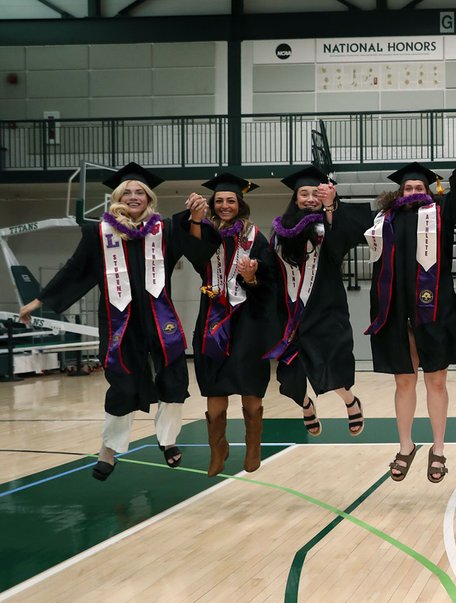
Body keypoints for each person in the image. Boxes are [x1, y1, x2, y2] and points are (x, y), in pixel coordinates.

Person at [19, 163, 196, 480]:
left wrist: (196, 216)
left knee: (173, 381)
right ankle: (109, 451)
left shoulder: (166, 230)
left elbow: (199, 241)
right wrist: (40, 300)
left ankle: (168, 440)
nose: (133, 196)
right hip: (120, 322)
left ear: (149, 198)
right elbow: (75, 270)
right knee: (122, 386)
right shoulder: (98, 233)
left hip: (159, 320)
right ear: (117, 198)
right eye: (126, 192)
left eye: (139, 191)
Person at [352, 124, 456, 484]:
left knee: (437, 383)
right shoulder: (384, 220)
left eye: (419, 187)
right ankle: (406, 445)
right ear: (398, 192)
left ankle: (439, 449)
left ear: (429, 191)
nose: (414, 191)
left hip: (435, 312)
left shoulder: (441, 214)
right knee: (403, 383)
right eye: (408, 187)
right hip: (396, 313)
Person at [179, 172, 273, 477]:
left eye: (230, 200)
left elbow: (269, 281)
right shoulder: (204, 232)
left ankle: (253, 447)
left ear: (240, 204)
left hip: (247, 319)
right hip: (212, 316)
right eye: (218, 200)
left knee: (249, 386)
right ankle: (218, 448)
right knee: (214, 387)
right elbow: (193, 256)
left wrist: (252, 277)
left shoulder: (255, 237)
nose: (224, 205)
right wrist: (195, 219)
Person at [266, 165, 366, 442]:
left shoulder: (328, 225)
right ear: (295, 198)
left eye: (314, 194)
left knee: (331, 365)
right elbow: (272, 269)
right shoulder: (280, 231)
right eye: (303, 194)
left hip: (326, 308)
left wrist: (331, 207)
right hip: (290, 313)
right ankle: (306, 405)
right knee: (290, 373)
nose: (309, 199)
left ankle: (351, 402)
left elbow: (341, 243)